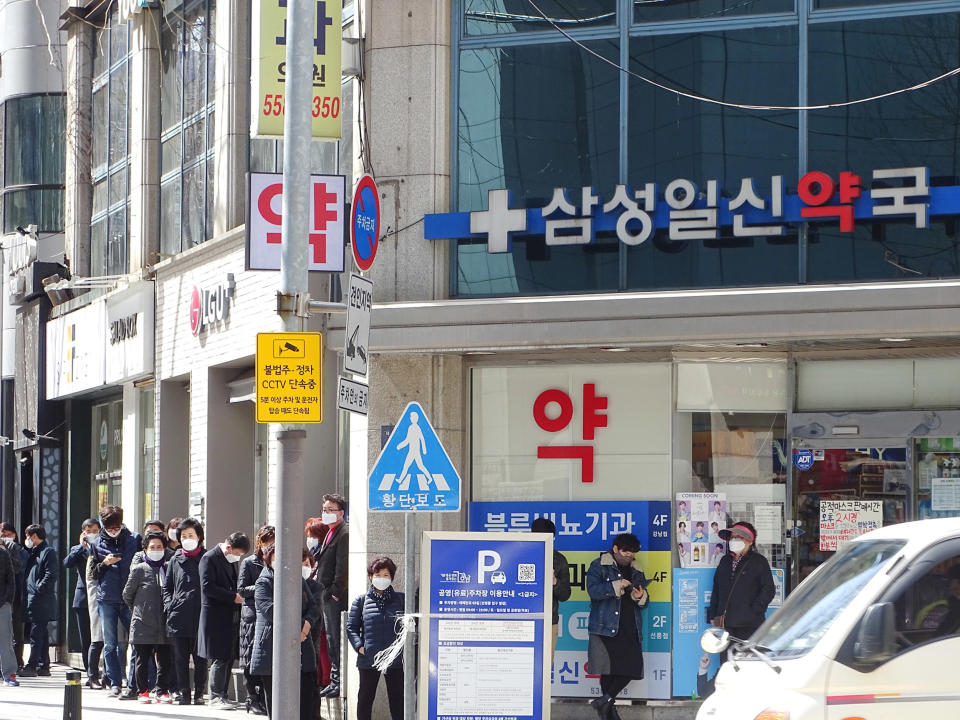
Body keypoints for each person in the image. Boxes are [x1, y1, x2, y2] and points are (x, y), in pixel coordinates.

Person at [250, 544, 320, 720]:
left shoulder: (298, 579)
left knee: (305, 701)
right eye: (276, 558)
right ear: (269, 560)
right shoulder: (263, 581)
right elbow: (269, 610)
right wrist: (299, 624)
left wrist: (307, 623)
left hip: (302, 646)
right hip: (272, 648)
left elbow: (314, 606)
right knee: (277, 706)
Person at [586, 533, 649, 720]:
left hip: (630, 626)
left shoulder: (637, 569)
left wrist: (640, 597)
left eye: (632, 553)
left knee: (634, 667)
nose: (628, 556)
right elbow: (592, 590)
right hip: (605, 626)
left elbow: (645, 601)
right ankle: (608, 713)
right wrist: (615, 586)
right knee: (608, 671)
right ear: (615, 549)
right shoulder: (599, 565)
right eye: (625, 552)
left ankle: (604, 700)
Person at [89, 505, 141, 698]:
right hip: (107, 598)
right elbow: (93, 573)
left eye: (116, 526)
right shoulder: (97, 544)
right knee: (110, 644)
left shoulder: (134, 540)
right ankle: (114, 683)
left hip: (130, 598)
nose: (113, 531)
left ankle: (134, 683)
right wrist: (104, 563)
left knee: (136, 642)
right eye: (109, 528)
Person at [346, 556, 404, 720]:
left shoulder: (401, 600)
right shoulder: (361, 601)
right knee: (365, 697)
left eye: (386, 575)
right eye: (378, 574)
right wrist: (360, 647)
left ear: (391, 577)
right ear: (371, 576)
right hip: (369, 657)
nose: (382, 578)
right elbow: (351, 627)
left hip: (395, 658)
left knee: (397, 699)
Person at [123, 531, 173, 704]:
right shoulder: (139, 569)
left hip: (164, 622)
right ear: (145, 549)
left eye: (159, 547)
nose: (156, 550)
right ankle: (143, 691)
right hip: (142, 623)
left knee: (165, 660)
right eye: (152, 547)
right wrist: (139, 610)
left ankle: (162, 691)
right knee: (142, 660)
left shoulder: (169, 568)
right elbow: (127, 595)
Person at [199, 531, 249, 708]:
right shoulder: (209, 558)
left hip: (230, 615)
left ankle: (223, 694)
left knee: (228, 656)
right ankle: (215, 695)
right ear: (229, 547)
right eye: (237, 554)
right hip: (215, 615)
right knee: (219, 657)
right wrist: (231, 597)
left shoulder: (230, 561)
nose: (237, 558)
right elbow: (207, 587)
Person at [163, 517, 207, 705]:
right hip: (178, 616)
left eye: (191, 535)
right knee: (180, 658)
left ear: (199, 536)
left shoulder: (207, 558)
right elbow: (167, 587)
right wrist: (169, 604)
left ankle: (199, 693)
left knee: (200, 658)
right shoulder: (175, 559)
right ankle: (184, 692)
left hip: (200, 615)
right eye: (183, 535)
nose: (187, 538)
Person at [708, 521, 775, 641]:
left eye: (739, 537)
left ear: (750, 541)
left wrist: (753, 611)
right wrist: (713, 614)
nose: (734, 540)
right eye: (732, 537)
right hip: (725, 624)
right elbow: (717, 589)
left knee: (747, 659)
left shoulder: (759, 562)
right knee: (727, 659)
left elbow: (768, 590)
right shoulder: (725, 561)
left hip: (750, 625)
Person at [315, 493, 348, 698]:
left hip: (334, 597)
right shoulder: (330, 532)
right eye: (324, 510)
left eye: (331, 510)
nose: (326, 514)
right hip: (324, 596)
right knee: (329, 638)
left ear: (341, 513)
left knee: (335, 638)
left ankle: (338, 681)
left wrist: (334, 593)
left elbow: (342, 567)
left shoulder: (344, 533)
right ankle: (333, 680)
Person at [239, 525, 273, 716]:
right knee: (250, 658)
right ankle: (252, 697)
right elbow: (242, 589)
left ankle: (262, 698)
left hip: (268, 615)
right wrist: (262, 588)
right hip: (252, 615)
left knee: (264, 659)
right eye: (267, 541)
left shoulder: (278, 562)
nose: (270, 545)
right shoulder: (250, 562)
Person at [63, 518, 100, 679]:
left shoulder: (104, 547)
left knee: (100, 638)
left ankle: (104, 671)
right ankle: (91, 673)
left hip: (101, 597)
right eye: (88, 531)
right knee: (86, 638)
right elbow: (67, 563)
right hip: (83, 598)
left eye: (95, 531)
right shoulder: (77, 549)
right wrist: (81, 546)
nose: (92, 534)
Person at [530, 518, 571, 661]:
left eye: (549, 537)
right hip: (523, 618)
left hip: (549, 621)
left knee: (545, 665)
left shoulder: (559, 560)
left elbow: (565, 594)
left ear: (553, 537)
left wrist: (555, 582)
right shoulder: (521, 554)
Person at [20, 524, 58, 678]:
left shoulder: (47, 552)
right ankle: (44, 665)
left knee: (36, 633)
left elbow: (51, 574)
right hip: (34, 598)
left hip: (41, 599)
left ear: (34, 536)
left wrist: (39, 589)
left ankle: (32, 665)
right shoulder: (34, 552)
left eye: (28, 536)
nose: (27, 539)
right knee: (41, 633)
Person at [1, 522, 28, 671]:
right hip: (5, 596)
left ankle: (17, 662)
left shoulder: (18, 550)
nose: (5, 538)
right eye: (2, 535)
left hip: (15, 596)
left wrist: (6, 553)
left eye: (8, 535)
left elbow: (16, 570)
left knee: (16, 631)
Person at [85, 548, 105, 688]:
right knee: (97, 640)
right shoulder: (93, 558)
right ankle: (92, 676)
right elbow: (91, 579)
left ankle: (107, 676)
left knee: (112, 643)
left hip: (113, 601)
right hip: (97, 600)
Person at [0, 536, 19, 686]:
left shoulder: (3, 554)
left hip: (2, 603)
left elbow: (10, 579)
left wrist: (7, 600)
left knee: (6, 640)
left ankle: (9, 674)